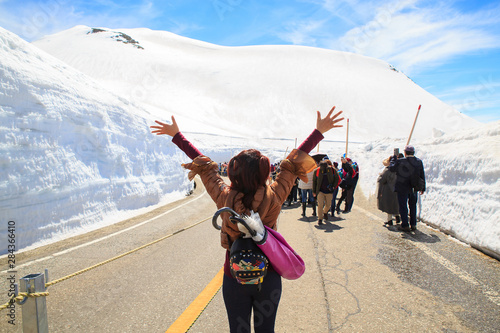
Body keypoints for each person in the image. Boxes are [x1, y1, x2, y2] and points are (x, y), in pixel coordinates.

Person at [150, 107, 344, 333]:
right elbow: (292, 164)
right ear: (264, 174)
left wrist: (177, 136)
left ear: (233, 173)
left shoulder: (224, 197)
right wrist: (318, 132)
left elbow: (204, 165)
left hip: (234, 276)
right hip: (268, 276)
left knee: (237, 330)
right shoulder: (275, 195)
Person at [389, 145, 426, 232]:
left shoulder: (400, 161)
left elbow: (392, 168)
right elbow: (422, 175)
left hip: (402, 187)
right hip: (414, 187)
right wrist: (422, 188)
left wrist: (394, 158)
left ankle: (405, 225)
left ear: (405, 153)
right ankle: (413, 224)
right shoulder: (418, 162)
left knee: (403, 206)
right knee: (413, 206)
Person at [313, 160, 339, 225]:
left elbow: (337, 178)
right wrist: (314, 191)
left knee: (328, 205)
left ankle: (325, 212)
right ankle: (320, 219)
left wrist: (333, 186)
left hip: (329, 191)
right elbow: (314, 181)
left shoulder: (332, 170)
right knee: (320, 205)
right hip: (320, 191)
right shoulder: (317, 171)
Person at [376, 157, 400, 225]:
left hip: (388, 189)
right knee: (396, 203)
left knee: (389, 205)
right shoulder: (400, 169)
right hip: (397, 189)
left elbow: (382, 180)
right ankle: (397, 217)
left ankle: (389, 220)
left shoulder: (387, 170)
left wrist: (380, 176)